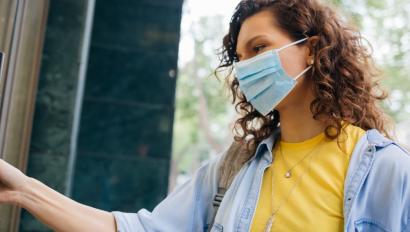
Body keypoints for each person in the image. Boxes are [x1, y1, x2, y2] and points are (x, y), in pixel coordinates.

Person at [1, 0, 409, 231]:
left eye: (260, 48)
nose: (245, 67)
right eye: (240, 57)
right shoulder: (231, 170)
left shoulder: (386, 170)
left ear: (312, 48)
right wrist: (24, 190)